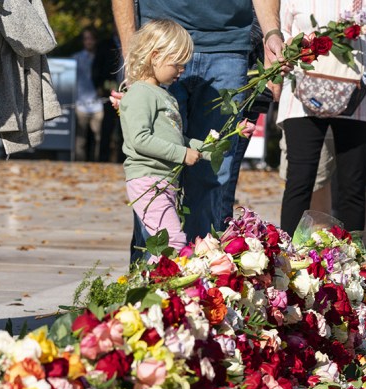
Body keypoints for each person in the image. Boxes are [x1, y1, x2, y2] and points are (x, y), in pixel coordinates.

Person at [113, 0, 283, 246]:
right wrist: (133, 55)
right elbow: (143, 141)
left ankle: (202, 273)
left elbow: (175, 138)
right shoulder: (147, 87)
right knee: (156, 190)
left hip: (228, 44)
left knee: (214, 176)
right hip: (163, 38)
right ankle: (150, 274)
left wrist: (272, 33)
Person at [276, 0, 366, 236]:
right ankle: (287, 259)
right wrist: (284, 53)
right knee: (299, 181)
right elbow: (282, 31)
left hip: (359, 96)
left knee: (353, 187)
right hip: (302, 94)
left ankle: (351, 262)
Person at [120, 19, 212, 253]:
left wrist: (213, 148)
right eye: (177, 64)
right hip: (147, 180)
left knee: (169, 244)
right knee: (173, 243)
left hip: (164, 182)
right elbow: (139, 139)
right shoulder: (140, 93)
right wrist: (182, 155)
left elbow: (175, 139)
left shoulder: (164, 95)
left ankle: (152, 286)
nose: (182, 71)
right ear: (155, 55)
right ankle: (153, 288)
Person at [92, 31, 126, 163]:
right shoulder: (105, 45)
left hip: (127, 92)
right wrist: (98, 86)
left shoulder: (132, 43)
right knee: (107, 127)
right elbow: (96, 67)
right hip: (108, 92)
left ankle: (122, 160)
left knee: (125, 129)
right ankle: (103, 159)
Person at [72, 27, 105, 161]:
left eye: (91, 38)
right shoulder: (76, 58)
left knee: (98, 139)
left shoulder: (101, 58)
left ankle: (96, 164)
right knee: (81, 140)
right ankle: (79, 165)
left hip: (98, 104)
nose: (89, 42)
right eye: (86, 39)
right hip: (81, 104)